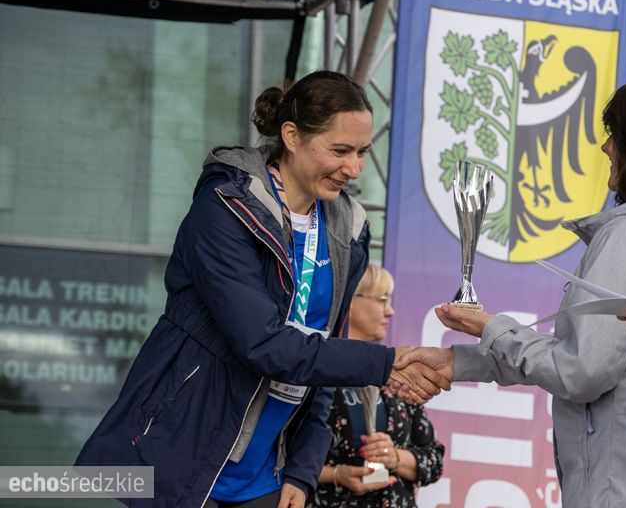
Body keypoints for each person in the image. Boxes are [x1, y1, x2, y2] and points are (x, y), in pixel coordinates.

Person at [74, 71, 448, 508]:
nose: (354, 168)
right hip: (186, 455)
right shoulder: (224, 209)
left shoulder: (349, 228)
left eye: (363, 152)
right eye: (340, 150)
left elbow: (324, 354)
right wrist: (387, 362)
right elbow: (262, 342)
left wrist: (304, 469)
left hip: (267, 475)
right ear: (291, 135)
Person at [395, 71, 626, 507]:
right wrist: (456, 362)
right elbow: (594, 357)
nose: (605, 147)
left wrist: (492, 328)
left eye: (615, 134)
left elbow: (580, 372)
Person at [311, 264, 445, 507]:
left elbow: (433, 460)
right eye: (382, 299)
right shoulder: (315, 369)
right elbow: (277, 461)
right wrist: (337, 475)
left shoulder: (399, 372)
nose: (390, 311)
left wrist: (394, 457)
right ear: (349, 301)